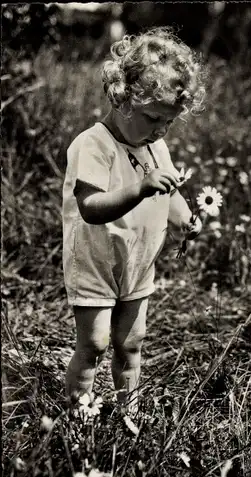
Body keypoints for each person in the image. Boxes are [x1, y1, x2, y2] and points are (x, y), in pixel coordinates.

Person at [62, 27, 205, 414]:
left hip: (138, 261)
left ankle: (130, 413)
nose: (160, 130)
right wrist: (141, 188)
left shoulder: (154, 145)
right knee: (93, 343)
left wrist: (184, 219)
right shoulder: (94, 144)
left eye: (169, 123)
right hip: (96, 260)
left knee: (132, 341)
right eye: (153, 118)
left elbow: (170, 191)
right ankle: (79, 413)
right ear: (123, 99)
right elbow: (91, 206)